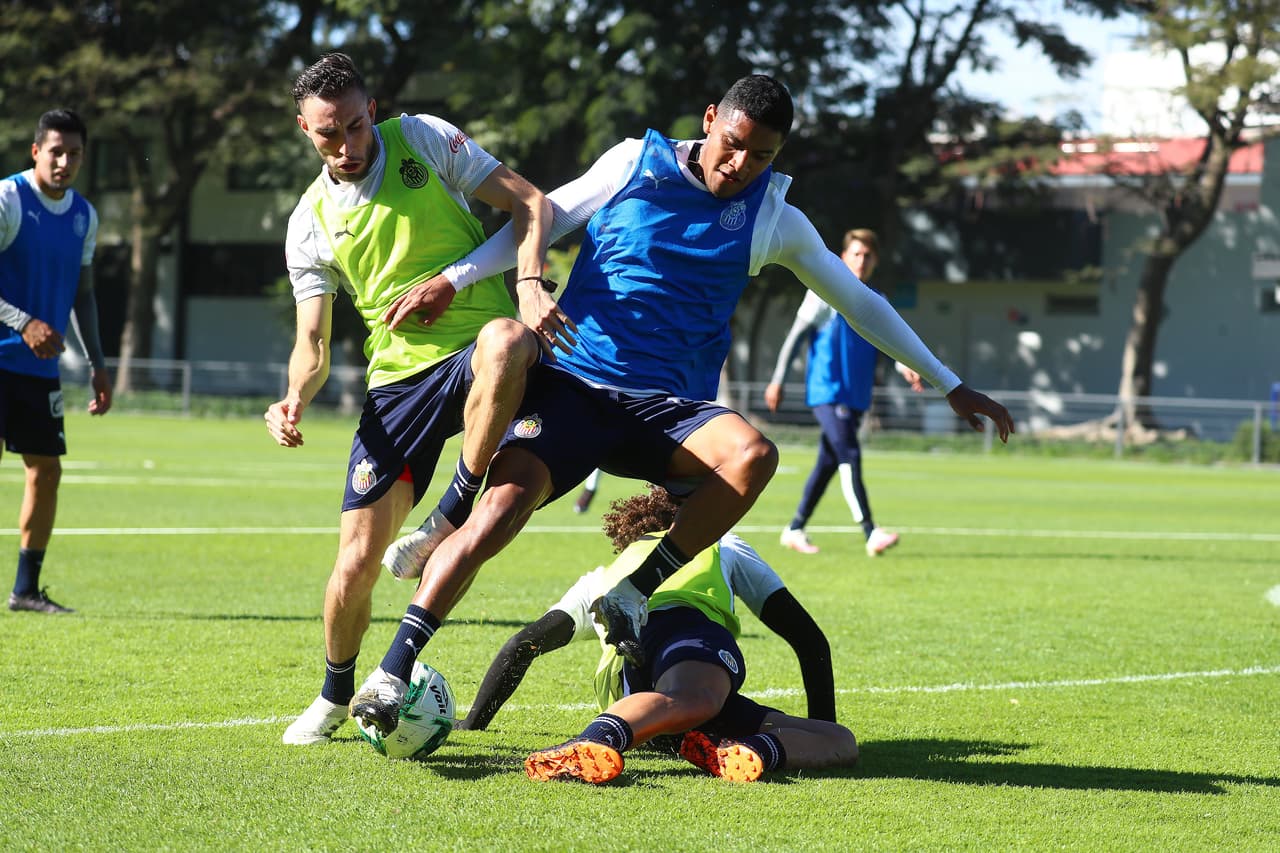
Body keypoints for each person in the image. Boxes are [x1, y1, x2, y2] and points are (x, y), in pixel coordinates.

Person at [350, 74, 1014, 732]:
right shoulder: (631, 162)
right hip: (575, 388)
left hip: (667, 412)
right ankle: (392, 670)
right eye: (734, 144)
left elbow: (859, 301)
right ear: (709, 119)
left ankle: (633, 592)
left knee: (753, 455)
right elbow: (543, 214)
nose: (741, 164)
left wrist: (949, 383)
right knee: (493, 517)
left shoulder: (774, 218)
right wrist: (456, 277)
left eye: (762, 155)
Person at [265, 53, 568, 745]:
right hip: (399, 384)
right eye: (327, 134)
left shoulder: (423, 139)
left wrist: (527, 283)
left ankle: (450, 512)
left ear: (372, 110)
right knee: (353, 565)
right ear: (304, 129)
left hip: (479, 351)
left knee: (506, 340)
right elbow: (312, 341)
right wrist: (293, 396)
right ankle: (334, 694)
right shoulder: (308, 221)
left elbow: (530, 201)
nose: (346, 145)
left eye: (355, 125)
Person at [458, 486, 856, 783]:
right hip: (682, 635)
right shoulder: (720, 544)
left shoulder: (598, 580)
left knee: (839, 739)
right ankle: (594, 741)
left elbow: (522, 645)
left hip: (639, 689)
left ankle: (746, 751)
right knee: (695, 697)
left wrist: (474, 722)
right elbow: (808, 639)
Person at [0, 109, 112, 615]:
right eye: (56, 152)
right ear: (35, 152)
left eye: (74, 154)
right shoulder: (9, 199)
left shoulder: (84, 216)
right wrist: (22, 321)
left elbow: (84, 296)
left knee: (46, 472)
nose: (65, 162)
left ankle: (25, 590)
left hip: (39, 368)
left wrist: (97, 363)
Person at [764, 228, 908, 557]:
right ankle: (871, 531)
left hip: (856, 396)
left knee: (828, 463)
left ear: (876, 261)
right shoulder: (823, 292)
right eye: (856, 254)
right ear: (843, 257)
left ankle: (795, 528)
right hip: (827, 392)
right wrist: (778, 380)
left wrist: (905, 367)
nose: (862, 260)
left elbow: (892, 345)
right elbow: (795, 337)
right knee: (850, 454)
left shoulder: (877, 301)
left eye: (868, 255)